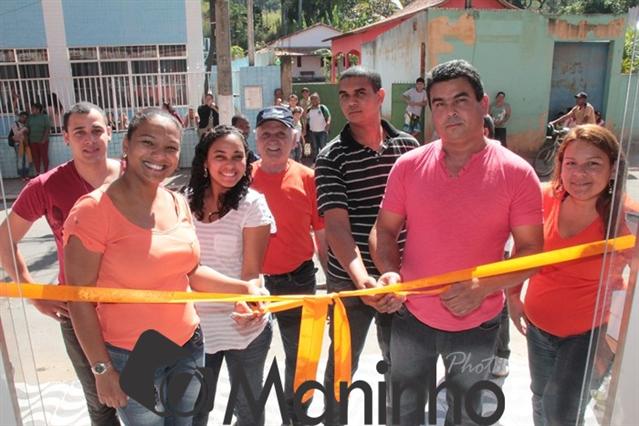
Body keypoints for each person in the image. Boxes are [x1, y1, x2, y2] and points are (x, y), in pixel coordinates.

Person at [63, 108, 265, 426]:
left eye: (170, 147)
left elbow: (191, 271)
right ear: (125, 145)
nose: (160, 155)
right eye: (148, 142)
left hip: (188, 344)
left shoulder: (176, 201)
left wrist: (245, 288)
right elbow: (78, 300)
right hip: (134, 355)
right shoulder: (92, 211)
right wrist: (102, 369)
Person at [370, 59, 543, 426]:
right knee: (403, 413)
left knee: (466, 416)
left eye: (460, 100)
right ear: (430, 110)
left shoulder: (516, 173)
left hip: (477, 323)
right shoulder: (409, 166)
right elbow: (384, 230)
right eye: (439, 103)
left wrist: (483, 286)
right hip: (410, 317)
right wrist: (390, 273)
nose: (450, 112)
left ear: (483, 105)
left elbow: (532, 252)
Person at [0, 102, 122, 425]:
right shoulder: (46, 186)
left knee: (145, 395)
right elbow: (4, 240)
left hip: (134, 309)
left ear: (110, 133)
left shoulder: (132, 177)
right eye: (79, 132)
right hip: (79, 315)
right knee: (101, 404)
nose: (89, 139)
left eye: (96, 130)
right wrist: (32, 291)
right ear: (65, 138)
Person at [314, 66, 420, 425]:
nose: (350, 102)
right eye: (344, 95)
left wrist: (397, 276)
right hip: (350, 279)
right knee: (342, 365)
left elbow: (420, 216)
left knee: (401, 364)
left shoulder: (408, 148)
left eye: (360, 93)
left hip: (399, 279)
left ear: (379, 96)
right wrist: (363, 282)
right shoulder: (331, 157)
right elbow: (337, 229)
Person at [509, 124, 633, 426]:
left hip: (588, 334)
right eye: (572, 163)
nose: (580, 175)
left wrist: (622, 335)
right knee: (540, 395)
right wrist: (512, 296)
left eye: (593, 164)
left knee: (562, 410)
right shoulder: (542, 198)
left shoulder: (626, 216)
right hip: (538, 326)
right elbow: (522, 251)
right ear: (560, 166)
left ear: (613, 169)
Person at [188, 125, 275, 426]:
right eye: (220, 156)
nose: (230, 165)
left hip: (243, 328)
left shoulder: (253, 204)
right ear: (205, 162)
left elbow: (252, 272)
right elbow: (181, 268)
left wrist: (247, 306)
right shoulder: (182, 203)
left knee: (249, 412)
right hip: (193, 330)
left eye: (238, 156)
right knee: (195, 410)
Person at [251, 106, 327, 425]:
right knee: (250, 361)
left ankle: (295, 418)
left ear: (295, 138)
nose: (273, 140)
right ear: (255, 138)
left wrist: (333, 283)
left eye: (281, 133)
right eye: (266, 133)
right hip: (253, 287)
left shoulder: (308, 178)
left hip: (299, 281)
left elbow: (321, 234)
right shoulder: (240, 178)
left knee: (301, 358)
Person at [27, 102, 51, 174]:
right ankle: (37, 172)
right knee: (36, 157)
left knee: (44, 156)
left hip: (42, 141)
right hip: (32, 140)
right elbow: (27, 127)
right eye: (32, 108)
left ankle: (46, 172)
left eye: (33, 109)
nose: (32, 110)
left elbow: (47, 128)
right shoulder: (30, 117)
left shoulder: (44, 117)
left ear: (38, 109)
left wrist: (44, 139)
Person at [305, 93, 331, 161]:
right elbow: (306, 119)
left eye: (316, 98)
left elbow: (328, 117)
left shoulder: (322, 108)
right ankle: (316, 160)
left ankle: (324, 159)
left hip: (322, 131)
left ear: (319, 100)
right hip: (313, 132)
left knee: (323, 146)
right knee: (314, 147)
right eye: (312, 99)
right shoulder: (309, 109)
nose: (314, 100)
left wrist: (328, 123)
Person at [11, 111, 31, 180]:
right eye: (22, 117)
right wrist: (24, 129)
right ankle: (21, 175)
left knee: (27, 160)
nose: (24, 119)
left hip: (26, 144)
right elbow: (16, 134)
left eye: (25, 118)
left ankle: (26, 175)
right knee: (20, 160)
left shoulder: (26, 124)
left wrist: (22, 129)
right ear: (19, 117)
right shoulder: (15, 124)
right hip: (18, 144)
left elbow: (27, 132)